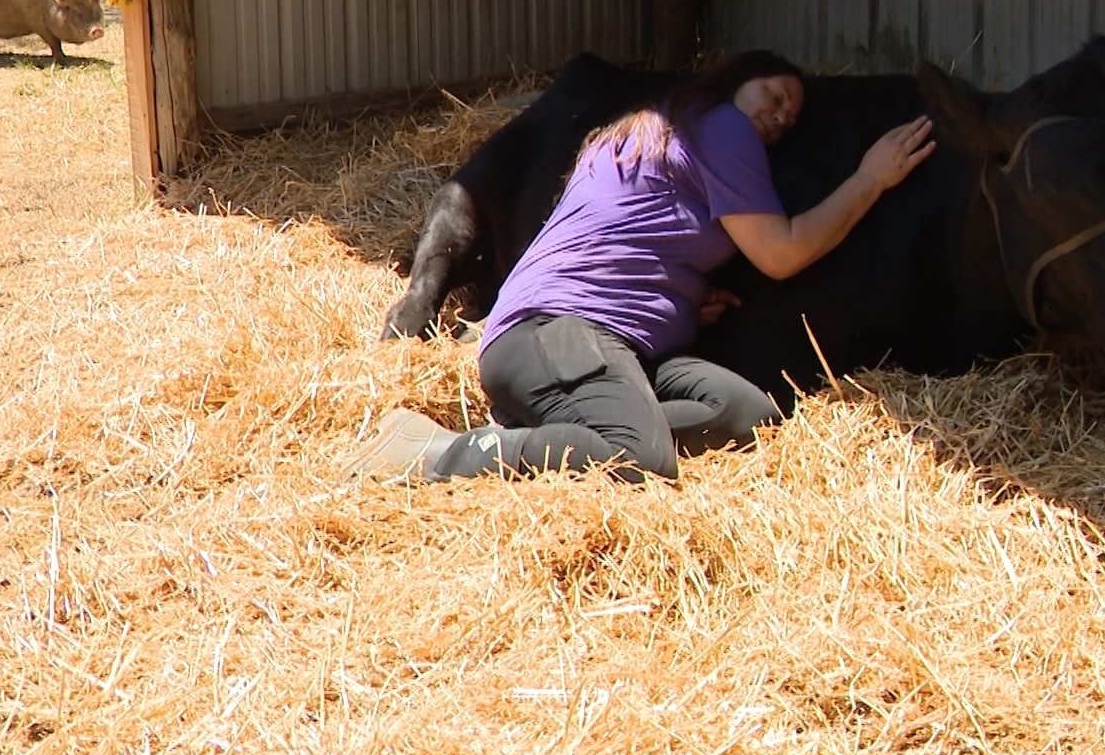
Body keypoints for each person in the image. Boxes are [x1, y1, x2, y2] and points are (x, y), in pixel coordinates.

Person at [344, 50, 935, 485]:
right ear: (737, 77)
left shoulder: (659, 136)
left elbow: (628, 239)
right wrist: (870, 179)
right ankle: (435, 453)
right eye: (775, 94)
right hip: (555, 331)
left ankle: (563, 425)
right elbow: (780, 252)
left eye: (791, 117)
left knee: (749, 412)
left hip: (612, 347)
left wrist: (679, 296)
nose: (781, 115)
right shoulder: (718, 124)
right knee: (640, 458)